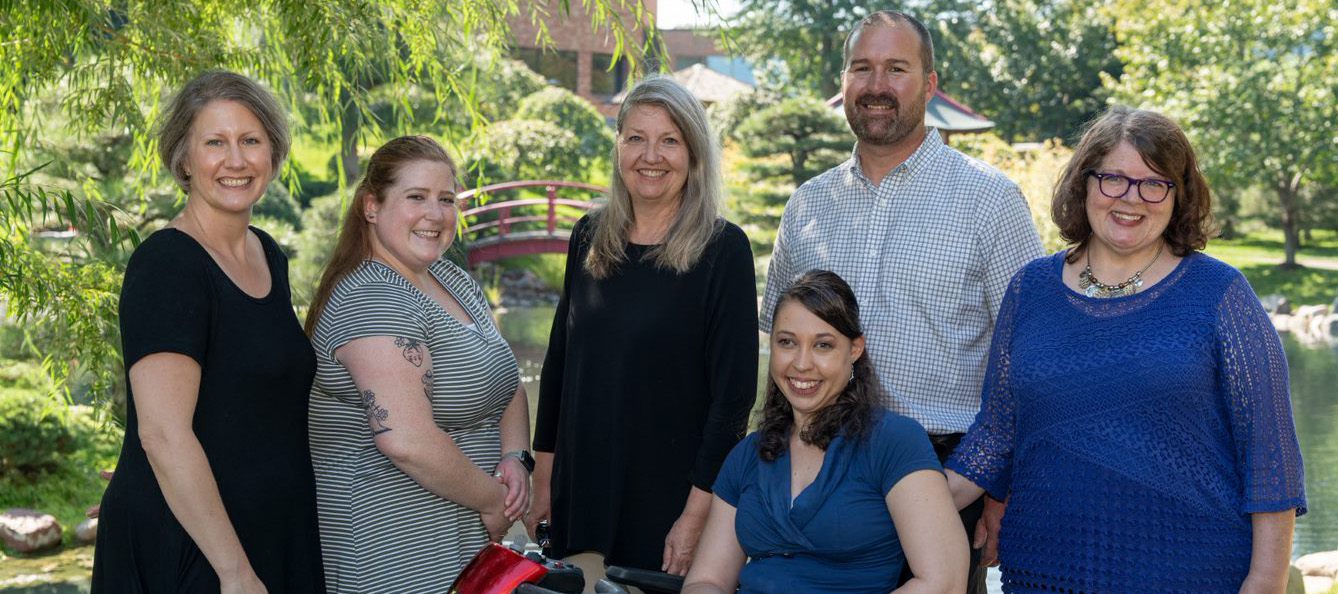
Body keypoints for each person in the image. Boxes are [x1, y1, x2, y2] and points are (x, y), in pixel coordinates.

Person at [944, 106, 1307, 592]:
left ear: (1178, 196)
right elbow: (994, 436)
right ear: (1084, 183)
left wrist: (1266, 579)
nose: (1131, 199)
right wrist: (888, 508)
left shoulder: (1221, 293)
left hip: (1194, 575)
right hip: (1043, 573)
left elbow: (1270, 457)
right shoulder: (1029, 289)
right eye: (1114, 179)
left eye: (1154, 183)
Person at [758, 10, 1043, 591]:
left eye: (896, 69)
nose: (877, 86)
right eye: (862, 68)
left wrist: (1000, 488)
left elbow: (1030, 363)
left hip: (948, 474)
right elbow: (779, 352)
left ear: (930, 84)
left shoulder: (989, 201)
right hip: (817, 471)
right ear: (843, 83)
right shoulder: (807, 206)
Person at [92, 70, 325, 593]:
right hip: (201, 550)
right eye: (215, 143)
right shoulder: (167, 265)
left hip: (271, 532)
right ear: (184, 160)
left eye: (250, 141)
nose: (236, 160)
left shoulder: (267, 253)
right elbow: (163, 434)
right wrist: (235, 572)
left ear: (273, 152)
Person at [528, 76, 758, 578]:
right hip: (582, 491)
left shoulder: (723, 250)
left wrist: (695, 518)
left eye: (669, 140)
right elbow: (560, 362)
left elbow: (733, 401)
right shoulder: (588, 235)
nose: (650, 155)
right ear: (618, 148)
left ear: (693, 153)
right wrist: (543, 476)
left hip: (668, 501)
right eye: (636, 138)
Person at [305, 135, 530, 591]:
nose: (436, 214)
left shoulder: (451, 279)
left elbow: (507, 383)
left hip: (461, 552)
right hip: (391, 558)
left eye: (446, 199)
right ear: (371, 205)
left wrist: (515, 457)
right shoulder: (371, 296)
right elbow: (405, 439)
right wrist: (494, 501)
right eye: (417, 197)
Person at [683, 270, 967, 594]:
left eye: (823, 345)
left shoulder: (894, 442)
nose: (802, 364)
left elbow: (944, 583)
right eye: (787, 342)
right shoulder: (748, 454)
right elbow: (707, 579)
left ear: (855, 349)